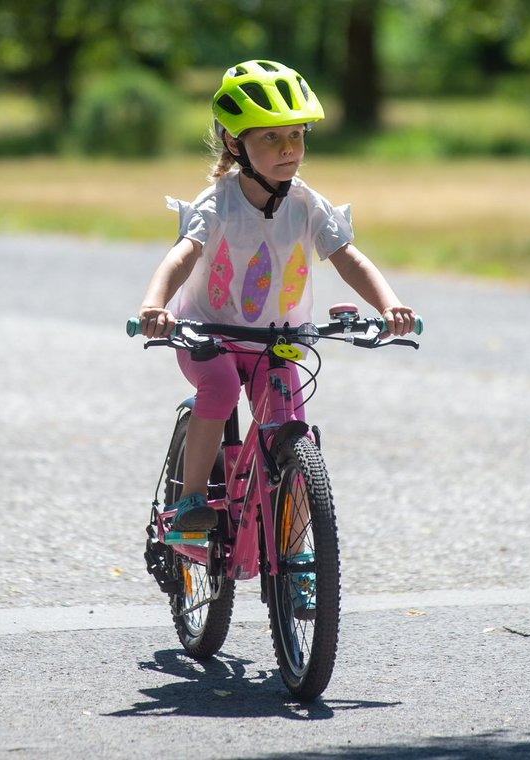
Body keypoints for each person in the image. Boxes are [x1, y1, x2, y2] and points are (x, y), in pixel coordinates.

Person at [137, 59, 417, 531]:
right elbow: (182, 255)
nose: (288, 149)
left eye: (296, 136)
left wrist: (387, 304)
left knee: (295, 431)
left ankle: (296, 550)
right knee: (221, 388)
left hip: (277, 341)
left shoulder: (307, 204)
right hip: (209, 336)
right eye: (270, 137)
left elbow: (349, 257)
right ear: (234, 142)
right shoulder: (217, 203)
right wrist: (155, 305)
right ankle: (190, 503)